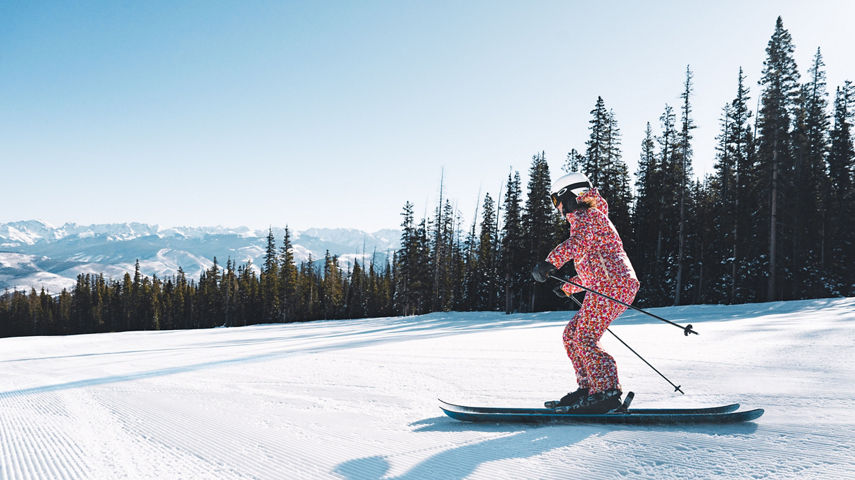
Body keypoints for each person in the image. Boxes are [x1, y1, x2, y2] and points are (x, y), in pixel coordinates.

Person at [532, 172, 640, 413]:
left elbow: (577, 243)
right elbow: (593, 269)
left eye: (555, 200)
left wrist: (551, 262)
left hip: (612, 285)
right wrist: (567, 286)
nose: (557, 207)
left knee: (584, 337)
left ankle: (607, 392)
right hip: (609, 283)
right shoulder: (591, 218)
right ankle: (589, 388)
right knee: (572, 334)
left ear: (570, 195)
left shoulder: (587, 215)